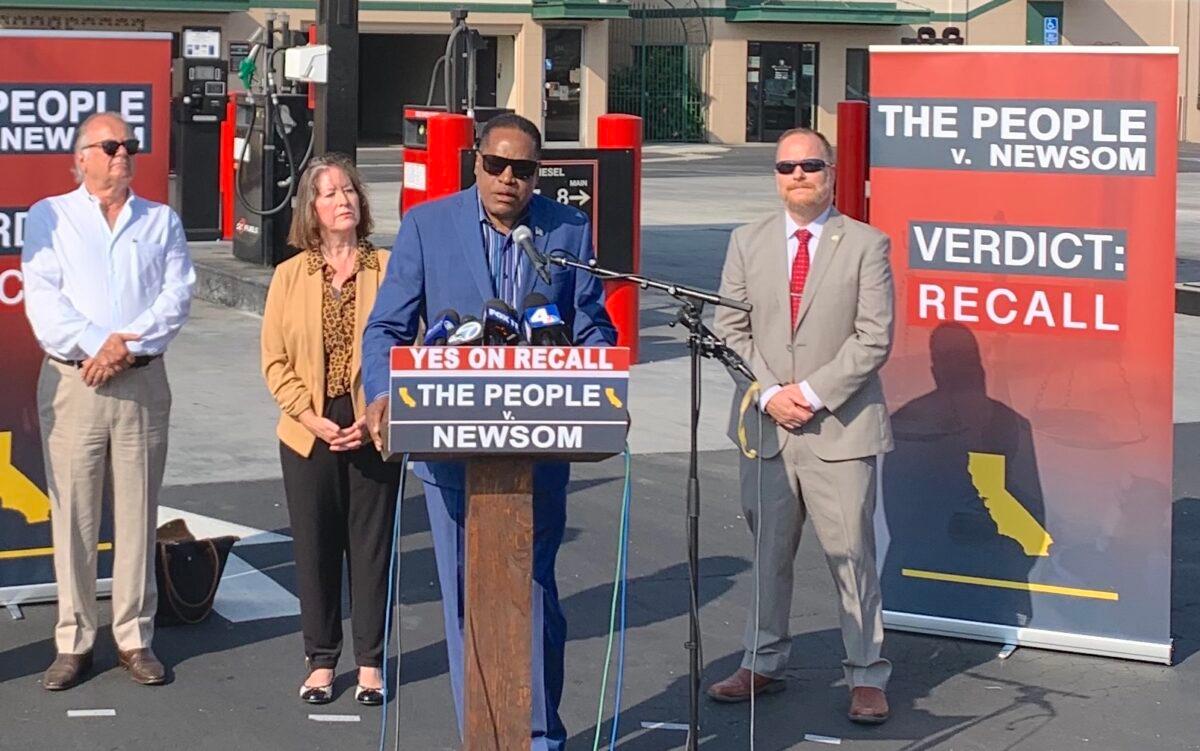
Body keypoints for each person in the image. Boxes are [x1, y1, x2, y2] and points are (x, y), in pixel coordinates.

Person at [362, 113, 616, 749]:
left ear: (537, 174)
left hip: (540, 446)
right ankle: (481, 732)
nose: (508, 179)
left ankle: (539, 735)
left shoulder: (565, 229)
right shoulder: (428, 225)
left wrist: (598, 363)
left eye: (523, 169)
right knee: (463, 601)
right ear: (475, 163)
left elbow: (591, 324)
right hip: (448, 450)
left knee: (534, 593)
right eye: (496, 165)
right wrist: (381, 394)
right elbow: (388, 327)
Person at [709, 127, 895, 724]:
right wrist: (768, 396)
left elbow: (873, 338)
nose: (798, 176)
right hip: (766, 428)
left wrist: (810, 395)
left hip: (839, 429)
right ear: (775, 176)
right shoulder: (747, 241)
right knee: (768, 554)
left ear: (832, 171)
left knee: (851, 555)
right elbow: (728, 329)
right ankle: (762, 661)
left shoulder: (867, 245)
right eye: (786, 167)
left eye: (810, 165)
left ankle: (866, 674)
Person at [21, 112, 195, 690]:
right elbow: (44, 300)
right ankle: (74, 642)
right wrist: (100, 344)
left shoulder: (161, 220)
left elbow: (177, 296)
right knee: (72, 514)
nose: (123, 153)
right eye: (110, 145)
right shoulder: (51, 216)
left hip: (141, 383)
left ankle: (133, 638)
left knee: (137, 514)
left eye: (130, 145)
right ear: (81, 158)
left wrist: (124, 348)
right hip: (75, 383)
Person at [260, 153, 400, 706]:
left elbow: (407, 343)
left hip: (375, 424)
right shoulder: (288, 275)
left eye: (350, 191)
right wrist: (311, 417)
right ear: (311, 210)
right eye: (329, 193)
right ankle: (320, 661)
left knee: (370, 547)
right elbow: (274, 361)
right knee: (315, 548)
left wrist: (373, 418)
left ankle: (369, 663)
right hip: (308, 428)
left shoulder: (388, 267)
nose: (343, 200)